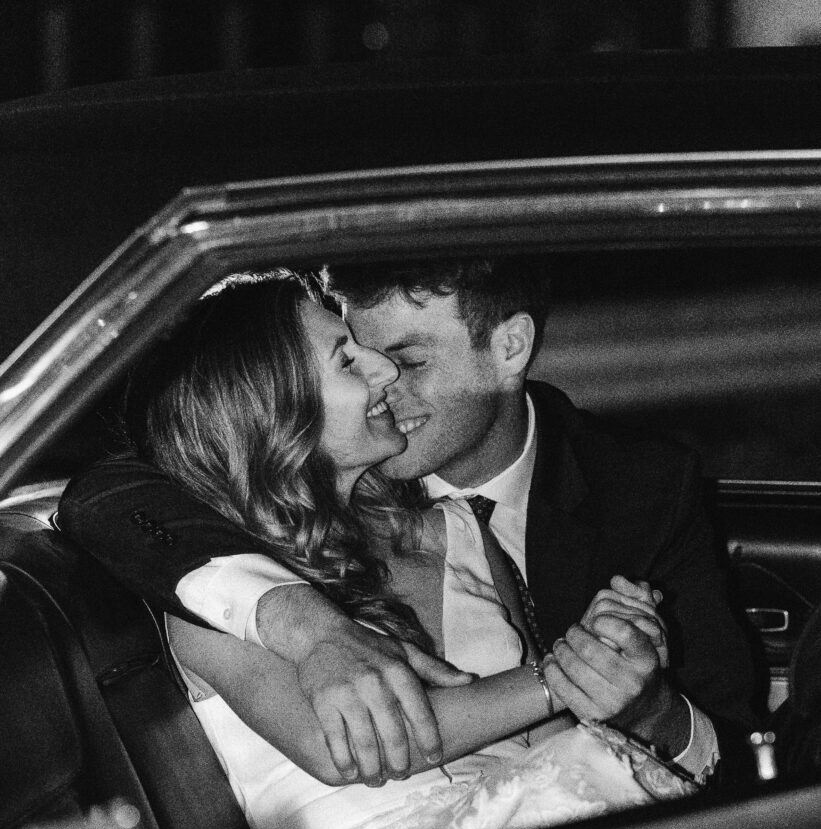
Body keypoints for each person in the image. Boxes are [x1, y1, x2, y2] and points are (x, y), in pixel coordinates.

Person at [58, 257, 761, 789]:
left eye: (407, 358)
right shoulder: (219, 540)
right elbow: (100, 495)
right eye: (353, 354)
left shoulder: (639, 489)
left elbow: (726, 735)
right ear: (280, 404)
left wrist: (639, 705)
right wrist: (301, 620)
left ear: (509, 349)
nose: (384, 380)